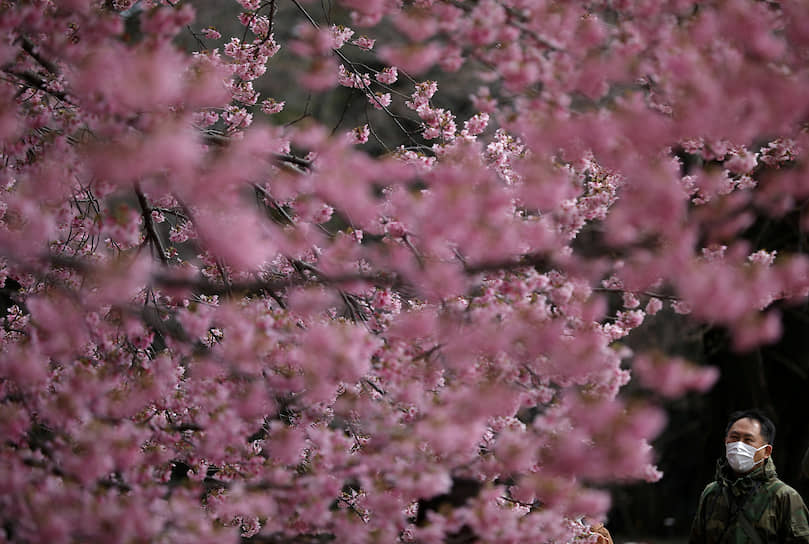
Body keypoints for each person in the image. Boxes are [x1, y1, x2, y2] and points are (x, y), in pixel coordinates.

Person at [689, 409, 809, 543]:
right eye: (734, 437)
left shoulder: (784, 497)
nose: (739, 445)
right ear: (726, 442)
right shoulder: (712, 493)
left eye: (748, 440)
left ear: (766, 451)